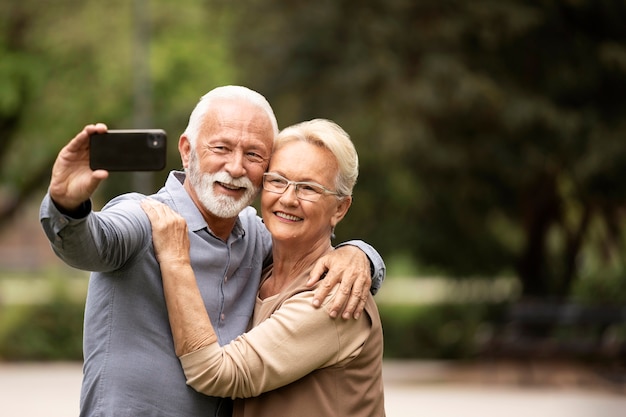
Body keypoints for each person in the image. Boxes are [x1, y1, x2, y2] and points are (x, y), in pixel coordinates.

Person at [40, 86, 385, 417]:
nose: (235, 168)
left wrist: (359, 255)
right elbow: (90, 246)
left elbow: (307, 249)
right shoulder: (146, 218)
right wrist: (67, 205)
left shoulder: (258, 238)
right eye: (221, 148)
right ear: (187, 150)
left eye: (253, 154)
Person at [142, 118, 385, 417]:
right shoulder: (260, 269)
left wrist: (176, 260)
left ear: (340, 208)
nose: (288, 198)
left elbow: (216, 374)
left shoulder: (332, 295)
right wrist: (361, 252)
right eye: (277, 181)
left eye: (308, 188)